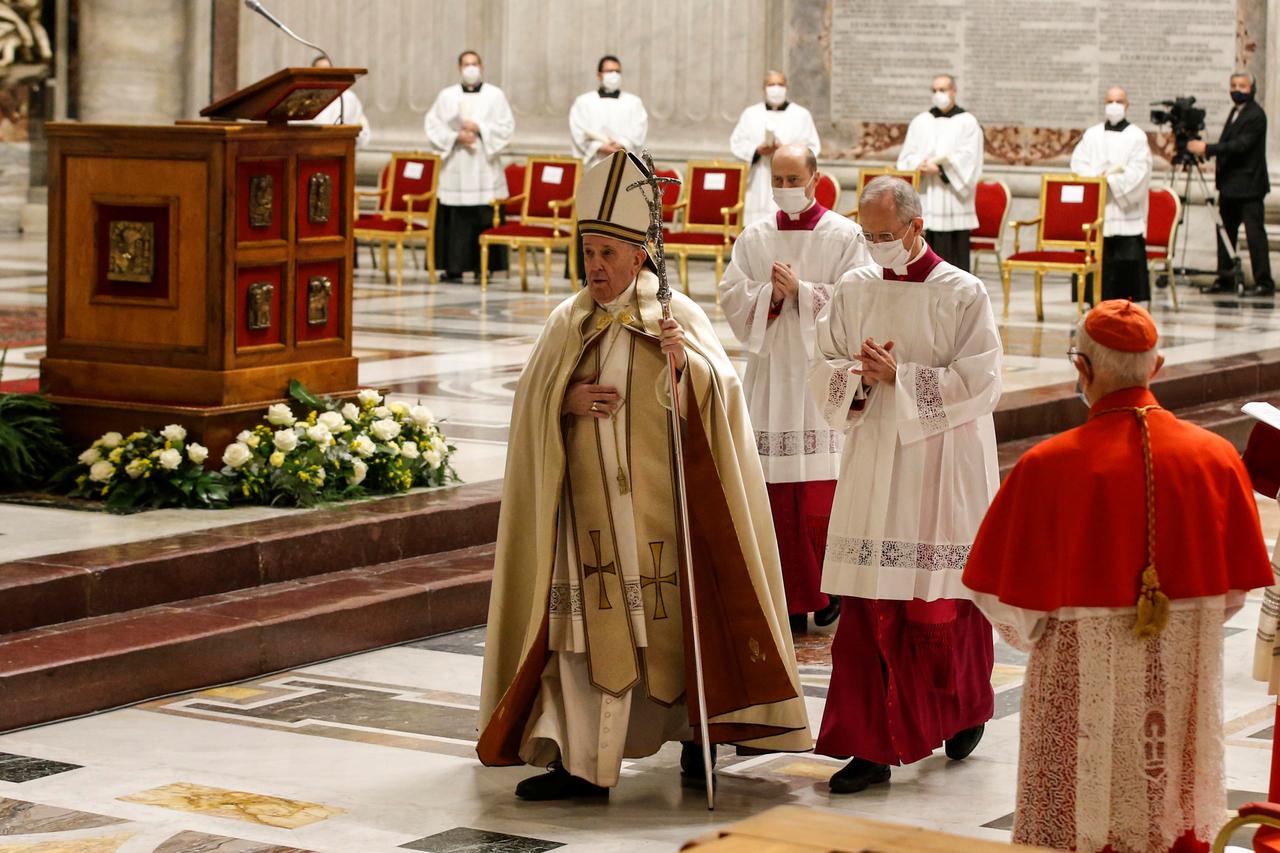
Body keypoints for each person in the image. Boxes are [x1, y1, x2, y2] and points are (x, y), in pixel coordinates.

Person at [477, 150, 811, 800]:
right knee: (582, 639)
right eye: (588, 253)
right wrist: (563, 402)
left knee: (680, 627)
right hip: (589, 527)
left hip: (666, 523)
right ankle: (581, 763)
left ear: (639, 256)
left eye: (608, 254)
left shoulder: (675, 317)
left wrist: (690, 373)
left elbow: (724, 400)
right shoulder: (567, 322)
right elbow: (531, 403)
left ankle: (697, 734)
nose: (596, 268)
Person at [963, 300, 1272, 853]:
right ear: (1156, 367)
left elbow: (1003, 601)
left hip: (1077, 682)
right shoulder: (1218, 458)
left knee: (1080, 814)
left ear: (1082, 368)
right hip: (1182, 681)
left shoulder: (1046, 466)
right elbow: (1233, 593)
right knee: (1168, 806)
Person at [808, 176, 1001, 793]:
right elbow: (825, 361)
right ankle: (867, 746)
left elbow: (982, 382)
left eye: (885, 235)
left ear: (917, 228)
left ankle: (964, 706)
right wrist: (858, 381)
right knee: (867, 603)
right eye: (867, 235)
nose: (874, 246)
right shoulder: (855, 287)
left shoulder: (962, 291)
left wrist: (904, 377)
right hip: (872, 461)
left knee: (937, 604)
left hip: (939, 467)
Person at [719, 143, 867, 633]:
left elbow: (859, 297)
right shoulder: (755, 235)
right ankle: (786, 593)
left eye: (792, 179)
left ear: (815, 178)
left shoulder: (844, 235)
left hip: (820, 378)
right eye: (776, 180)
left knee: (820, 494)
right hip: (771, 376)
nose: (784, 189)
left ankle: (826, 591)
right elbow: (731, 293)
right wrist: (769, 296)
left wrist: (803, 292)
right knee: (776, 494)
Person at [424, 50, 515, 282]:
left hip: (484, 166)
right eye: (466, 64)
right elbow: (432, 126)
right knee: (456, 219)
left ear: (482, 67)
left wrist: (480, 128)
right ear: (459, 68)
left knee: (483, 214)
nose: (471, 68)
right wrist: (455, 137)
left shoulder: (496, 95)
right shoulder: (446, 96)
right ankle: (453, 267)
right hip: (457, 166)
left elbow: (506, 127)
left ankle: (484, 267)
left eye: (475, 63)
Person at [1188, 71, 1273, 295]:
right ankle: (1225, 278)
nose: (1237, 89)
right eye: (1233, 85)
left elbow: (1240, 146)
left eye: (1242, 86)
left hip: (1249, 187)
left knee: (1255, 235)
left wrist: (1207, 149)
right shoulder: (1235, 112)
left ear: (1252, 89)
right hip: (1229, 186)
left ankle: (1264, 282)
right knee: (1225, 233)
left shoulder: (1256, 115)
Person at [1069, 87, 1152, 303]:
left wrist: (1110, 181)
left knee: (1124, 268)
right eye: (1110, 101)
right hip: (1097, 211)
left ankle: (1124, 306)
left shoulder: (1137, 137)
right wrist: (1095, 178)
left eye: (1119, 101)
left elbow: (1139, 172)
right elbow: (1078, 164)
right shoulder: (1092, 134)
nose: (1114, 106)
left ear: (1127, 105)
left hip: (1123, 212)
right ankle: (1091, 304)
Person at [896, 74, 984, 272]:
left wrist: (942, 169)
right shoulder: (920, 121)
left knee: (954, 260)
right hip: (926, 196)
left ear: (954, 92)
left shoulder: (968, 122)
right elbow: (906, 156)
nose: (938, 94)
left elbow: (970, 157)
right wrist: (918, 165)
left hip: (953, 199)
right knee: (926, 253)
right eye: (934, 90)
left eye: (943, 90)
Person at [729, 71, 822, 226]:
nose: (776, 89)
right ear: (764, 88)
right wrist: (757, 151)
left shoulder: (801, 115)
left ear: (787, 87)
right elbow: (737, 143)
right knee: (757, 228)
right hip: (759, 178)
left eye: (780, 84)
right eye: (771, 85)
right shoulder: (751, 114)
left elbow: (812, 147)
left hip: (790, 180)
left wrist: (786, 151)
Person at [569, 55, 649, 170]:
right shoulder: (583, 102)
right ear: (599, 74)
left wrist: (622, 144)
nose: (614, 75)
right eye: (610, 71)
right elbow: (578, 131)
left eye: (617, 71)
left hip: (624, 162)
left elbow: (639, 132)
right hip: (594, 163)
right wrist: (600, 147)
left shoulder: (634, 102)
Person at [305, 55, 371, 148]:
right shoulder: (304, 99)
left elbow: (364, 132)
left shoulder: (348, 98)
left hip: (342, 153)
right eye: (321, 72)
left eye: (328, 71)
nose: (325, 75)